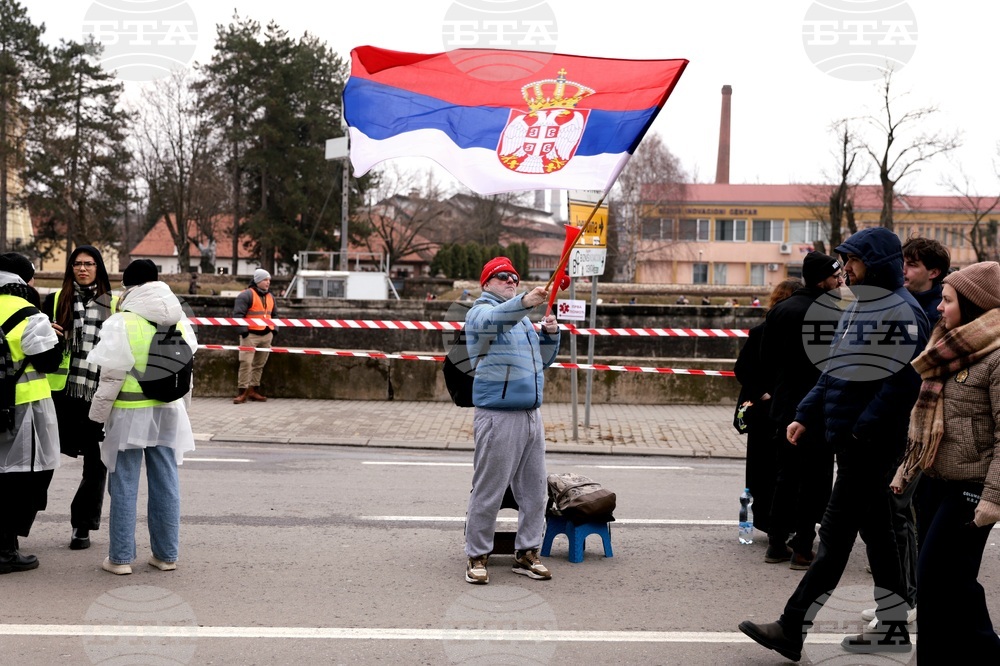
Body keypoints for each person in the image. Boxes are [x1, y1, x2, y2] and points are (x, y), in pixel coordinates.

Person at [739, 227, 929, 660]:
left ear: (875, 263)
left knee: (836, 536)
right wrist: (805, 414)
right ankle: (894, 627)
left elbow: (904, 384)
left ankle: (792, 626)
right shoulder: (859, 305)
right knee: (879, 535)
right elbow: (833, 370)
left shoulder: (901, 311)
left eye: (853, 260)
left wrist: (862, 428)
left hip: (871, 444)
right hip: (850, 437)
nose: (846, 268)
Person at [890, 261, 1000, 661]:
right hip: (936, 477)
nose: (938, 307)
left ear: (972, 305)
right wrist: (908, 467)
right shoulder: (945, 347)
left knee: (935, 577)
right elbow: (925, 417)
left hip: (972, 486)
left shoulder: (996, 357)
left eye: (948, 300)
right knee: (955, 580)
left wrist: (992, 497)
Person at [87, 259, 197, 576]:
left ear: (129, 287)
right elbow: (187, 375)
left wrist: (95, 419)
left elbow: (110, 380)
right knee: (167, 482)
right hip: (169, 412)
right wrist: (181, 411)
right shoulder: (181, 322)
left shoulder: (122, 323)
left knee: (124, 485)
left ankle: (120, 558)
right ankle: (166, 555)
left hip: (129, 414)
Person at [864, 236, 951, 626]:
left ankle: (909, 600)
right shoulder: (910, 304)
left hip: (924, 428)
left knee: (901, 512)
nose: (904, 270)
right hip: (907, 426)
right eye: (903, 262)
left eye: (912, 264)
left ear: (933, 272)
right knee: (896, 513)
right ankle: (903, 598)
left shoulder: (939, 311)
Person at [464, 256, 560, 585]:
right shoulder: (481, 312)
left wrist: (550, 335)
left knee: (535, 493)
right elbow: (493, 321)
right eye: (503, 276)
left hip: (530, 414)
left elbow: (541, 363)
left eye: (515, 278)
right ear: (486, 283)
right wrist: (524, 302)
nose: (511, 281)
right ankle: (477, 554)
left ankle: (527, 552)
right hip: (498, 415)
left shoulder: (520, 319)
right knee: (489, 490)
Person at [758, 253, 843, 570]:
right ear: (823, 279)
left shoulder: (781, 310)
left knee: (785, 477)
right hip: (821, 408)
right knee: (816, 480)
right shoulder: (836, 312)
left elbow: (765, 361)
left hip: (786, 406)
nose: (840, 281)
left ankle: (776, 544)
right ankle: (803, 547)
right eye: (836, 276)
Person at [41, 245, 114, 551]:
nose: (82, 269)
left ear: (99, 268)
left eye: (89, 264)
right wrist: (50, 334)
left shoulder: (114, 304)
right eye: (77, 264)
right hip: (60, 393)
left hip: (97, 393)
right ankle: (15, 526)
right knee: (41, 460)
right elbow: (37, 346)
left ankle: (81, 526)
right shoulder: (55, 300)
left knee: (97, 464)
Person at [0, 252, 63, 574]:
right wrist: (56, 338)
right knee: (23, 477)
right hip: (22, 408)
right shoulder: (30, 314)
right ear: (28, 280)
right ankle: (6, 549)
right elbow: (48, 363)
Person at [733, 277, 802, 536]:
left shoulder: (768, 329)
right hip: (767, 413)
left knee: (767, 469)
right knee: (769, 468)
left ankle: (772, 521)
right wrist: (763, 393)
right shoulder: (763, 331)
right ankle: (773, 521)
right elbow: (743, 369)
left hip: (774, 410)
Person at [232, 268, 276, 404]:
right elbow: (238, 315)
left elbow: (274, 315)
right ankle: (242, 392)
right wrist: (244, 332)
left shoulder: (270, 296)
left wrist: (274, 330)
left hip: (266, 334)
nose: (268, 282)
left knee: (259, 365)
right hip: (250, 335)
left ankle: (253, 390)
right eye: (265, 280)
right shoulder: (246, 295)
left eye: (269, 280)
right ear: (257, 281)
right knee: (246, 363)